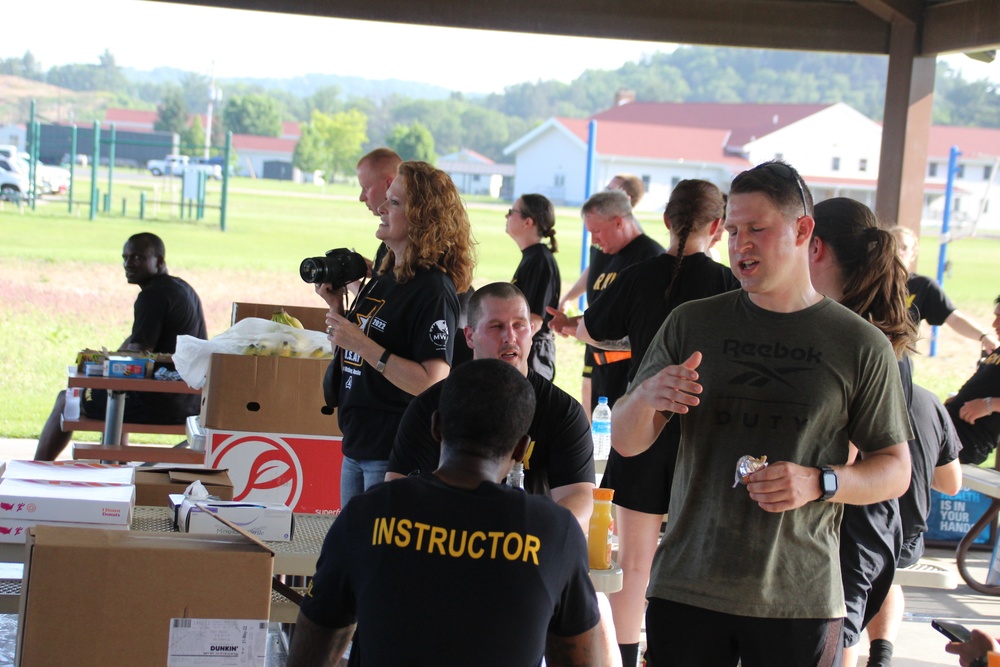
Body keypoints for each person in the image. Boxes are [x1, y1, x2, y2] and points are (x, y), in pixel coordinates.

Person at [611, 160, 913, 666]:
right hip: (687, 586)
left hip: (799, 599)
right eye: (731, 229)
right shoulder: (692, 322)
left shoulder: (858, 344)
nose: (739, 243)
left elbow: (895, 470)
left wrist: (820, 482)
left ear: (802, 230)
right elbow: (625, 440)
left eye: (757, 229)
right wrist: (646, 398)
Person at [286, 359, 602, 667]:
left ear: (436, 427)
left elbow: (313, 649)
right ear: (521, 449)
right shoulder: (554, 532)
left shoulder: (369, 513)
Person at [574, 179, 739, 667]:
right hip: (704, 439)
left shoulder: (640, 274)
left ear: (666, 221)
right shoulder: (729, 285)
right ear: (718, 227)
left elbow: (590, 329)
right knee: (698, 561)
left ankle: (624, 659)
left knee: (634, 563)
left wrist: (631, 344)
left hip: (642, 424)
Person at [809, 197, 955, 667]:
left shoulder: (860, 337)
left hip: (850, 524)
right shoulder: (868, 327)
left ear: (815, 247)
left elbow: (855, 453)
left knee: (832, 644)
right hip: (857, 522)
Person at [320, 161, 476, 506]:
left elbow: (432, 380)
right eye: (387, 200)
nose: (380, 208)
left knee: (379, 556)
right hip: (358, 443)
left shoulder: (432, 288)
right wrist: (336, 309)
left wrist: (361, 344)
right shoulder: (387, 274)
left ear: (422, 217)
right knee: (357, 554)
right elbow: (356, 344)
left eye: (394, 203)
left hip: (393, 454)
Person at [387, 282, 595, 531]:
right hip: (445, 546)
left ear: (531, 330)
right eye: (496, 326)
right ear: (469, 336)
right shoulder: (430, 406)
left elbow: (580, 499)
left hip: (526, 548)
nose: (510, 336)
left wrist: (533, 537)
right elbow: (397, 493)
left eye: (519, 325)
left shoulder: (563, 412)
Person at [34, 232, 207, 461]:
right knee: (118, 395)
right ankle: (117, 463)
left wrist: (101, 368)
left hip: (164, 403)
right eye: (125, 257)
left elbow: (137, 354)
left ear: (160, 261)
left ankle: (36, 466)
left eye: (138, 258)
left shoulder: (152, 296)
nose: (128, 264)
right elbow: (135, 341)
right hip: (190, 401)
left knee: (67, 399)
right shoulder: (180, 288)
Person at [548, 189, 665, 416]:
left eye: (598, 231)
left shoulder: (650, 257)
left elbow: (645, 330)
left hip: (630, 374)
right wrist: (572, 323)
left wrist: (584, 331)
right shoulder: (604, 253)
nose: (594, 240)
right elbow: (606, 314)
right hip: (601, 368)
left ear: (619, 223)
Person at [890, 226, 998, 354]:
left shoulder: (923, 285)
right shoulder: (869, 282)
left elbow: (954, 318)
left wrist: (984, 336)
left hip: (899, 361)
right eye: (893, 246)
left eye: (904, 247)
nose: (898, 251)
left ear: (914, 253)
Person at [507, 194, 561, 380]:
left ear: (528, 222)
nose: (507, 217)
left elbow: (535, 320)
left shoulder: (540, 260)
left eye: (511, 212)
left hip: (533, 357)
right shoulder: (532, 257)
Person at [946, 294, 1000, 464]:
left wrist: (989, 405)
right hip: (952, 426)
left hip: (968, 440)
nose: (994, 324)